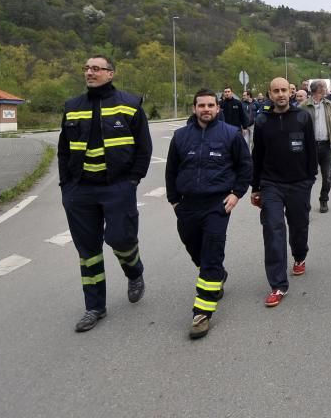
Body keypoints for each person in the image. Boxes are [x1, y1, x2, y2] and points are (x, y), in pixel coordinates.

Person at [57, 55, 151, 332]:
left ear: (111, 73)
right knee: (88, 252)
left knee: (121, 238)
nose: (90, 72)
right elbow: (63, 150)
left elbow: (143, 148)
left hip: (118, 186)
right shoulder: (72, 107)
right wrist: (67, 186)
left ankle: (134, 271)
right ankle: (94, 307)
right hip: (80, 190)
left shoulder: (130, 105)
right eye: (86, 68)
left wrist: (133, 181)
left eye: (96, 68)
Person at [165, 89, 252, 339]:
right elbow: (171, 170)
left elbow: (245, 166)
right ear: (194, 108)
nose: (206, 109)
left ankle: (201, 313)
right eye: (201, 105)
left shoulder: (230, 134)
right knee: (195, 248)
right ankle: (217, 274)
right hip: (187, 205)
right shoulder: (180, 136)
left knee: (212, 253)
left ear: (218, 108)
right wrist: (174, 200)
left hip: (217, 204)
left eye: (210, 105)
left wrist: (236, 194)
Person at [251, 77, 318, 307]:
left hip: (299, 183)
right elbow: (256, 156)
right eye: (275, 91)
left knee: (299, 227)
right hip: (271, 185)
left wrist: (310, 179)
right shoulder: (261, 121)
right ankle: (278, 285)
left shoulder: (302, 117)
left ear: (290, 93)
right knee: (273, 230)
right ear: (269, 94)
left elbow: (311, 150)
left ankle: (299, 256)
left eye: (284, 90)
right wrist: (256, 188)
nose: (280, 94)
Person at [298, 80, 331, 213]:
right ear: (318, 90)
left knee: (327, 176)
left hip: (326, 145)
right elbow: (298, 126)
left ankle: (324, 199)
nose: (327, 90)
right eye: (325, 88)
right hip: (310, 147)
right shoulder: (303, 106)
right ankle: (305, 203)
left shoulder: (329, 104)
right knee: (308, 178)